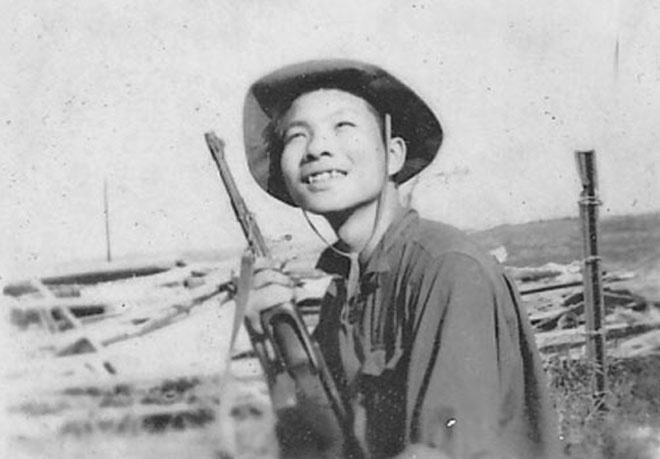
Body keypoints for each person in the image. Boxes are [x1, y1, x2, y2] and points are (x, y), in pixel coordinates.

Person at [241, 59, 561, 459]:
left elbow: (443, 451)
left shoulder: (446, 269)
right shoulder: (343, 293)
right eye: (296, 135)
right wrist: (269, 337)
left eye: (343, 126)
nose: (317, 148)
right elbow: (327, 445)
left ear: (393, 154)